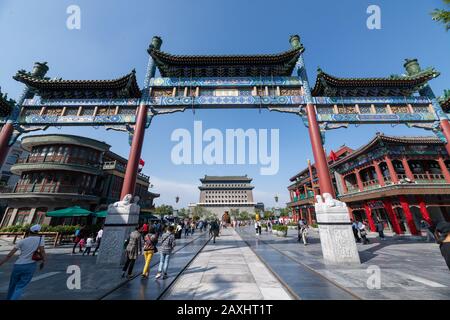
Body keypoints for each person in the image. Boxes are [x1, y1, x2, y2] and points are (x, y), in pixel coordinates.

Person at [0, 224, 46, 300]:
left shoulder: (22, 241)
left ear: (29, 232)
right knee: (20, 286)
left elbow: (9, 255)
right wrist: (44, 261)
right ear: (38, 232)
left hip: (18, 265)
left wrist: (1, 263)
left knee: (12, 285)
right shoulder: (40, 239)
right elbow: (42, 252)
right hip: (30, 265)